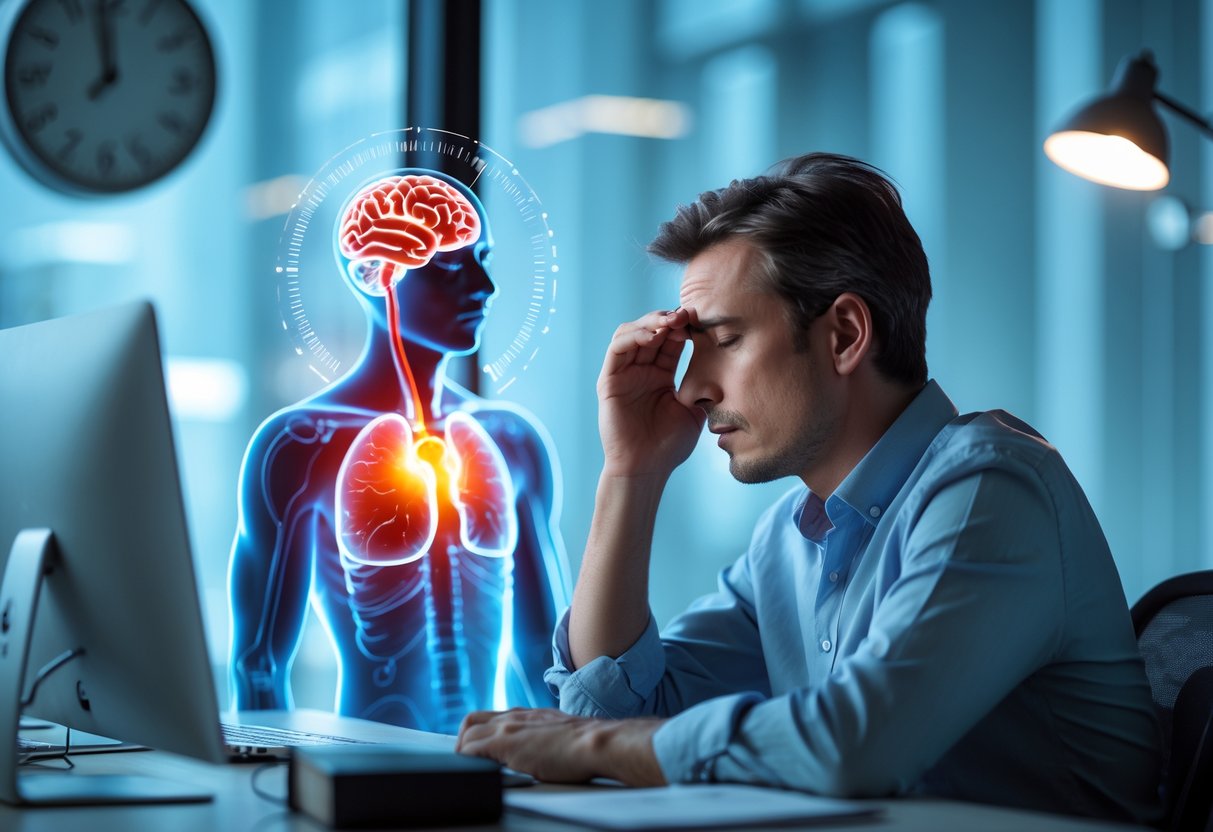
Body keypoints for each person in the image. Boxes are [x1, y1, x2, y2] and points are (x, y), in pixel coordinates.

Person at [456, 153, 1162, 824]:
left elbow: (852, 745)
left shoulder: (992, 491)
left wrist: (588, 746)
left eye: (723, 341)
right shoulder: (788, 540)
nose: (693, 389)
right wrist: (630, 474)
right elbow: (609, 715)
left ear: (845, 334)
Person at [229, 170, 570, 734]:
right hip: (364, 779)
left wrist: (566, 776)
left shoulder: (512, 439)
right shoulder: (300, 445)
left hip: (491, 778)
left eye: (482, 259)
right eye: (449, 266)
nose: (484, 287)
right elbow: (259, 664)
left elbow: (542, 652)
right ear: (375, 275)